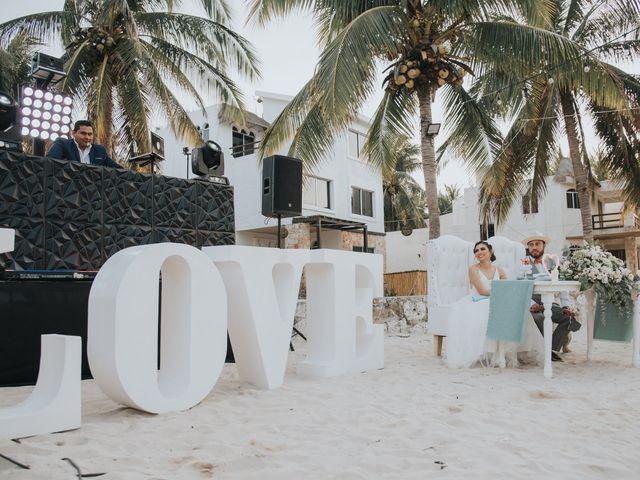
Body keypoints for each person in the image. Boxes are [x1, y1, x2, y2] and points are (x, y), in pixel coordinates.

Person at [445, 241, 542, 368]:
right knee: (495, 311)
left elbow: (506, 288)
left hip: (497, 299)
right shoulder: (473, 269)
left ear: (490, 251)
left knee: (516, 312)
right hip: (479, 300)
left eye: (482, 249)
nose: (479, 252)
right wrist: (500, 294)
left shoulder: (500, 270)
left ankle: (503, 353)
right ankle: (498, 355)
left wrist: (504, 295)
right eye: (476, 250)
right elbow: (482, 291)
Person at [522, 233, 581, 362]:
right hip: (531, 304)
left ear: (544, 246)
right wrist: (531, 304)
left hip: (550, 302)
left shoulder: (552, 262)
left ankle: (551, 349)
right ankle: (547, 351)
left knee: (568, 318)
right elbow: (520, 287)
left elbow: (561, 286)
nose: (534, 247)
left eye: (537, 244)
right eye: (531, 245)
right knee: (540, 318)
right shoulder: (524, 262)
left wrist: (565, 305)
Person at [46, 120, 121, 168]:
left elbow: (118, 170)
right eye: (83, 133)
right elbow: (49, 162)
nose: (87, 137)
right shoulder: (63, 144)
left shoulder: (100, 150)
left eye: (90, 134)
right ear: (74, 133)